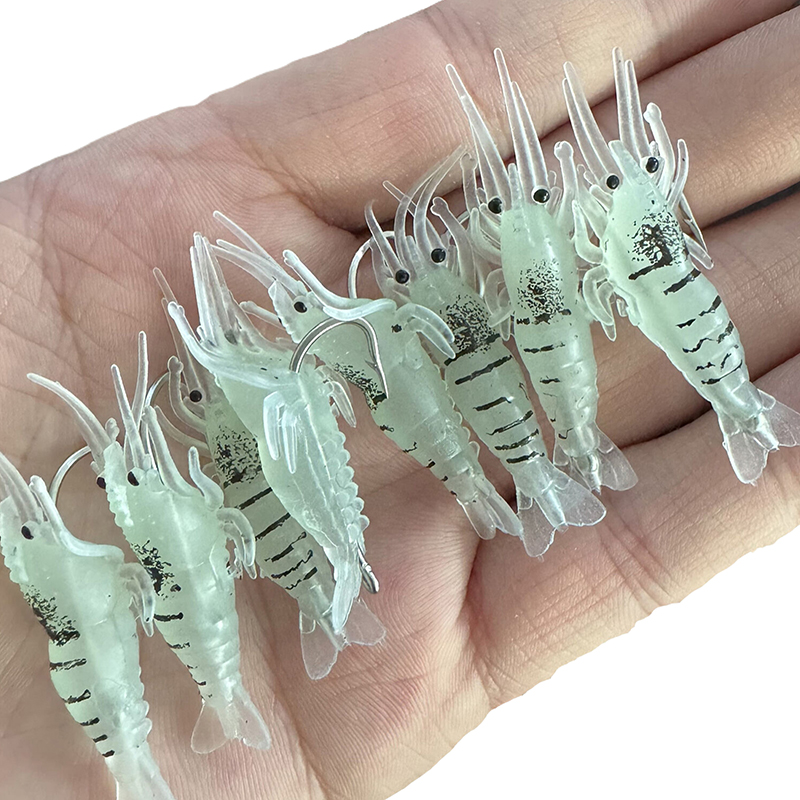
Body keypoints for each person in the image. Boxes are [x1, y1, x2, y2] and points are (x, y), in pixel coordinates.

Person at [0, 0, 799, 797]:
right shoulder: (354, 352)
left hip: (486, 386)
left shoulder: (380, 338)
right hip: (442, 408)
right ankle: (559, 465)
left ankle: (572, 455)